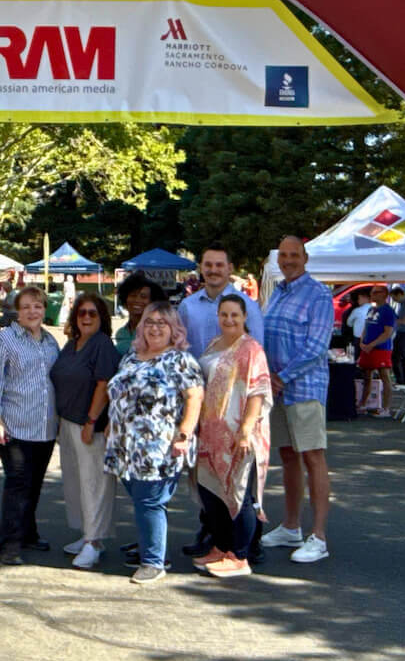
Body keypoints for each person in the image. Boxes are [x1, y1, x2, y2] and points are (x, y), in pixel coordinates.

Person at [104, 301, 204, 584]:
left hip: (159, 445)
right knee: (141, 499)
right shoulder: (132, 356)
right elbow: (120, 392)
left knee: (150, 500)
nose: (155, 328)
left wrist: (184, 434)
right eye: (150, 321)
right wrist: (112, 426)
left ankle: (154, 562)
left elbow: (195, 397)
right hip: (125, 445)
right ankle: (150, 545)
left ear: (174, 329)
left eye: (162, 323)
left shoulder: (180, 360)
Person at [260, 235, 335, 564]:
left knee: (313, 458)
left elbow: (316, 347)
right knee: (288, 455)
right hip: (277, 390)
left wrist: (282, 377)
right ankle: (291, 526)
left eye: (294, 255)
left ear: (305, 258)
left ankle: (318, 536)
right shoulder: (276, 292)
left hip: (303, 389)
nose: (288, 260)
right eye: (284, 255)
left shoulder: (318, 294)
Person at [195, 295, 272, 579]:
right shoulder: (214, 344)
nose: (229, 320)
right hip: (210, 431)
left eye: (234, 316)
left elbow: (258, 392)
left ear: (244, 318)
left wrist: (245, 431)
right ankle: (220, 546)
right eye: (224, 315)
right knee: (211, 491)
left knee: (238, 494)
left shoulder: (252, 349)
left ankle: (240, 555)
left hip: (239, 431)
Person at [0, 285, 60, 566]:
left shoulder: (51, 341)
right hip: (14, 426)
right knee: (18, 485)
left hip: (45, 427)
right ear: (17, 310)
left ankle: (29, 533)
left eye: (37, 306)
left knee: (35, 485)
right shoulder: (5, 340)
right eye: (26, 306)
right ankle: (10, 544)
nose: (32, 311)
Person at [51, 292, 120, 570]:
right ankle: (87, 534)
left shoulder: (102, 345)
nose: (87, 318)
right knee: (76, 483)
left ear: (101, 317)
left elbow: (104, 385)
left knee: (95, 484)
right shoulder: (72, 345)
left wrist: (91, 421)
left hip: (89, 426)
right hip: (67, 423)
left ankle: (94, 541)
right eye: (82, 313)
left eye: (93, 313)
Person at [178, 244, 264, 359]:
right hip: (193, 376)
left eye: (219, 265)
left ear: (230, 268)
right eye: (208, 265)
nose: (213, 270)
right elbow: (178, 349)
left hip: (235, 377)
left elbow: (256, 354)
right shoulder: (187, 307)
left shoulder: (249, 307)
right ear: (201, 268)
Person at [357, 284, 396, 416]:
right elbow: (366, 327)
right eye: (372, 292)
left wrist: (373, 344)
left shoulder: (388, 311)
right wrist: (362, 341)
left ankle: (386, 408)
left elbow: (387, 333)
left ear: (384, 294)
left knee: (384, 376)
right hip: (367, 348)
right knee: (366, 376)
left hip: (381, 348)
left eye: (375, 292)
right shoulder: (371, 310)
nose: (372, 295)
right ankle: (363, 404)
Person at [114, 273, 167, 357]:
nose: (137, 300)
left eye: (143, 297)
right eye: (133, 295)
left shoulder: (156, 332)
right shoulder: (121, 333)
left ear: (152, 302)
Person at [346, 290, 371, 361]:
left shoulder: (357, 311)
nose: (358, 300)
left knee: (356, 357)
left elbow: (349, 323)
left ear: (365, 298)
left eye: (359, 298)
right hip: (371, 339)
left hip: (358, 339)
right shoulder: (375, 309)